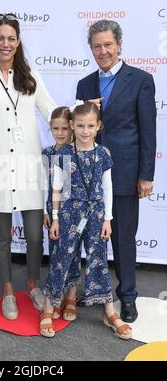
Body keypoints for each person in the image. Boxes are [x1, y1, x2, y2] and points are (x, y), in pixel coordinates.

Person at [0, 13, 57, 320]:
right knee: (2, 236)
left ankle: (32, 284)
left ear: (19, 42)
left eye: (11, 38)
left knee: (34, 235)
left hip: (29, 166)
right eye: (0, 38)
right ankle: (7, 289)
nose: (6, 44)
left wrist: (80, 114)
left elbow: (51, 110)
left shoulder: (31, 75)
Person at [76, 20, 156, 323]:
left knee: (123, 238)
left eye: (108, 44)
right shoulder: (85, 85)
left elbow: (149, 131)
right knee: (90, 238)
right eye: (97, 46)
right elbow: (80, 131)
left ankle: (128, 296)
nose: (103, 50)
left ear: (119, 45)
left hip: (124, 173)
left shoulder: (141, 80)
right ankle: (95, 290)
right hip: (88, 176)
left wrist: (146, 174)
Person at [40, 102, 132, 340]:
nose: (85, 131)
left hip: (96, 215)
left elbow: (108, 187)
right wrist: (57, 218)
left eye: (91, 125)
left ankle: (109, 312)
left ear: (98, 126)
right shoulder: (63, 154)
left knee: (98, 259)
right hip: (69, 213)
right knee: (61, 258)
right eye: (80, 125)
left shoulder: (103, 154)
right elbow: (57, 189)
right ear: (72, 125)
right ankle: (49, 307)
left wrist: (108, 219)